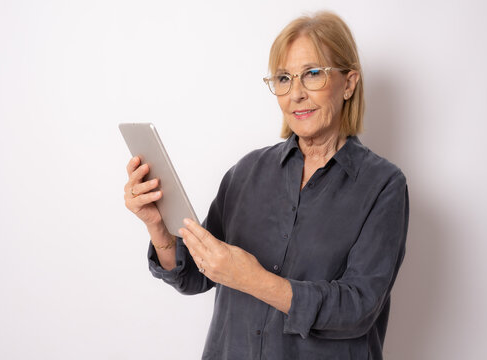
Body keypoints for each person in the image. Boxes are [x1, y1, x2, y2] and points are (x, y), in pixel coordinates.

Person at [124, 11, 409, 360]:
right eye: (284, 78)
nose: (296, 94)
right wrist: (158, 227)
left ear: (349, 83)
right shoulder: (246, 172)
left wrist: (253, 279)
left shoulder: (383, 185)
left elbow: (357, 308)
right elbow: (196, 276)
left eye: (313, 74)